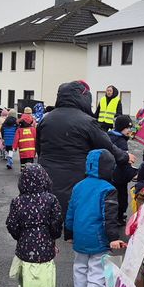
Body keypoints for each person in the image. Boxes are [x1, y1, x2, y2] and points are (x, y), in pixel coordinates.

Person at [36, 81, 132, 218]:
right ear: (83, 98)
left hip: (47, 179)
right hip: (76, 179)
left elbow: (39, 149)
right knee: (73, 216)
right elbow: (107, 146)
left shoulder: (46, 119)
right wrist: (125, 157)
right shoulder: (87, 122)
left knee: (49, 217)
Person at [64, 149, 126, 287]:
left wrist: (69, 233)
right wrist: (113, 237)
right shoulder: (108, 189)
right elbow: (109, 217)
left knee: (80, 266)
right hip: (99, 238)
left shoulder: (78, 186)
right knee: (97, 269)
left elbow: (70, 211)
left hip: (80, 236)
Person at [6, 164, 63, 287]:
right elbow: (56, 221)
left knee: (24, 266)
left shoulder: (18, 201)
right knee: (42, 271)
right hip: (45, 243)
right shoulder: (51, 199)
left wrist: (19, 236)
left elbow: (11, 223)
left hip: (24, 242)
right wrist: (54, 235)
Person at [107, 115, 137, 224]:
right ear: (121, 128)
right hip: (119, 176)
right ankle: (119, 216)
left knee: (110, 196)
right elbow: (123, 162)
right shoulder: (121, 141)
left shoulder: (109, 137)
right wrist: (133, 173)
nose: (129, 130)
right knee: (121, 197)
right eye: (127, 128)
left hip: (109, 173)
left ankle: (111, 215)